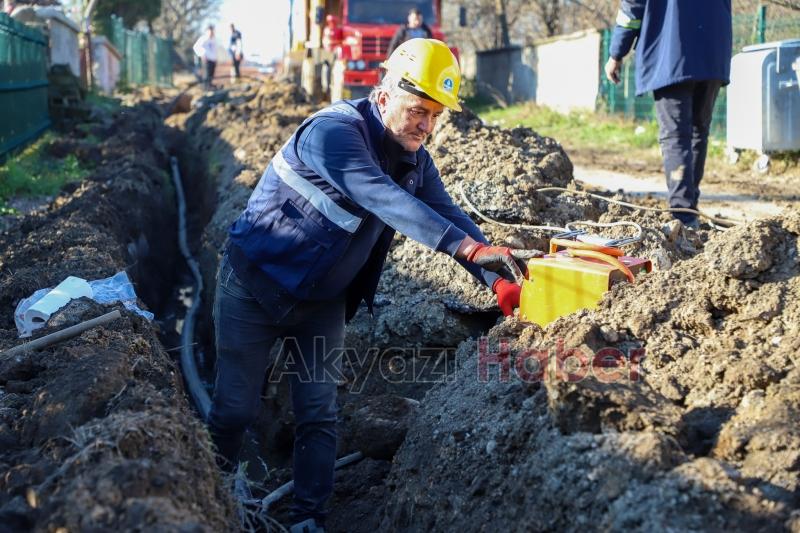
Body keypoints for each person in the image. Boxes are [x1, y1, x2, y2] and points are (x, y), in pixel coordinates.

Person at [209, 38, 539, 532]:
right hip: (254, 288)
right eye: (418, 111)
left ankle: (308, 519)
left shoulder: (415, 159)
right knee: (235, 409)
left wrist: (496, 278)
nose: (426, 126)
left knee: (317, 413)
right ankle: (213, 498)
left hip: (320, 302)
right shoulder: (332, 134)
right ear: (384, 97)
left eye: (435, 116)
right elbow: (383, 197)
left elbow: (448, 215)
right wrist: (467, 250)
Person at [604, 0, 732, 229]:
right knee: (698, 131)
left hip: (672, 50)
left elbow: (632, 7)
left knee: (676, 135)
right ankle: (689, 207)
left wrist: (616, 52)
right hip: (713, 50)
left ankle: (683, 214)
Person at [193, 24, 218, 90]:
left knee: (211, 75)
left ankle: (209, 86)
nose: (212, 33)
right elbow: (196, 47)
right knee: (207, 75)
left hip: (213, 60)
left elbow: (214, 50)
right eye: (210, 31)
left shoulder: (214, 40)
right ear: (207, 31)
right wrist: (202, 55)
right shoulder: (204, 38)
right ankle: (205, 87)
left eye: (213, 31)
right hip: (207, 60)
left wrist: (215, 58)